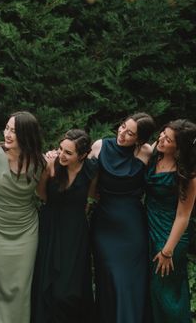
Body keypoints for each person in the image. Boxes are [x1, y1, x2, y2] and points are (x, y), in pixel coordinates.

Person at [90, 112, 155, 323]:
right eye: (122, 127)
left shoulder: (147, 152)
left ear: (140, 138)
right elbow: (81, 174)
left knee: (129, 281)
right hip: (105, 223)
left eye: (130, 133)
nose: (123, 134)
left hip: (132, 226)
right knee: (109, 279)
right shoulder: (100, 146)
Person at [0, 111, 44, 323]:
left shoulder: (41, 162)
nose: (8, 134)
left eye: (14, 131)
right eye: (7, 128)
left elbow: (42, 194)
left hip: (26, 229)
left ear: (27, 134)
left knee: (21, 284)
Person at [31, 129, 96, 323]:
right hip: (50, 225)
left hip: (75, 230)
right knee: (47, 282)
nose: (62, 155)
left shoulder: (91, 169)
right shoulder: (52, 163)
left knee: (69, 287)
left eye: (68, 152)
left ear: (82, 155)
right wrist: (48, 169)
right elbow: (41, 194)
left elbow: (91, 197)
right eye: (60, 149)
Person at [145, 119, 196, 322]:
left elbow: (184, 215)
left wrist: (168, 251)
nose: (161, 139)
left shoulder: (188, 174)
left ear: (180, 146)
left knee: (166, 292)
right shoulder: (155, 156)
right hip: (148, 227)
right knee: (151, 290)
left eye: (168, 139)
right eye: (162, 134)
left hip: (170, 236)